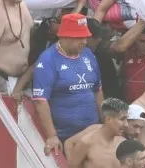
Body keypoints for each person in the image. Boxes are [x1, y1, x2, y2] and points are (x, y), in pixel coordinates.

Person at [32, 13, 102, 154]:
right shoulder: (48, 60)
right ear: (63, 36)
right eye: (79, 38)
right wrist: (52, 136)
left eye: (85, 37)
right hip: (66, 137)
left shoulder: (88, 54)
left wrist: (105, 123)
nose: (84, 41)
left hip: (93, 133)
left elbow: (98, 90)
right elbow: (40, 101)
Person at [64, 98, 128, 168]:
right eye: (122, 119)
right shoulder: (86, 142)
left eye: (127, 119)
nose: (126, 124)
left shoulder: (123, 143)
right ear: (108, 119)